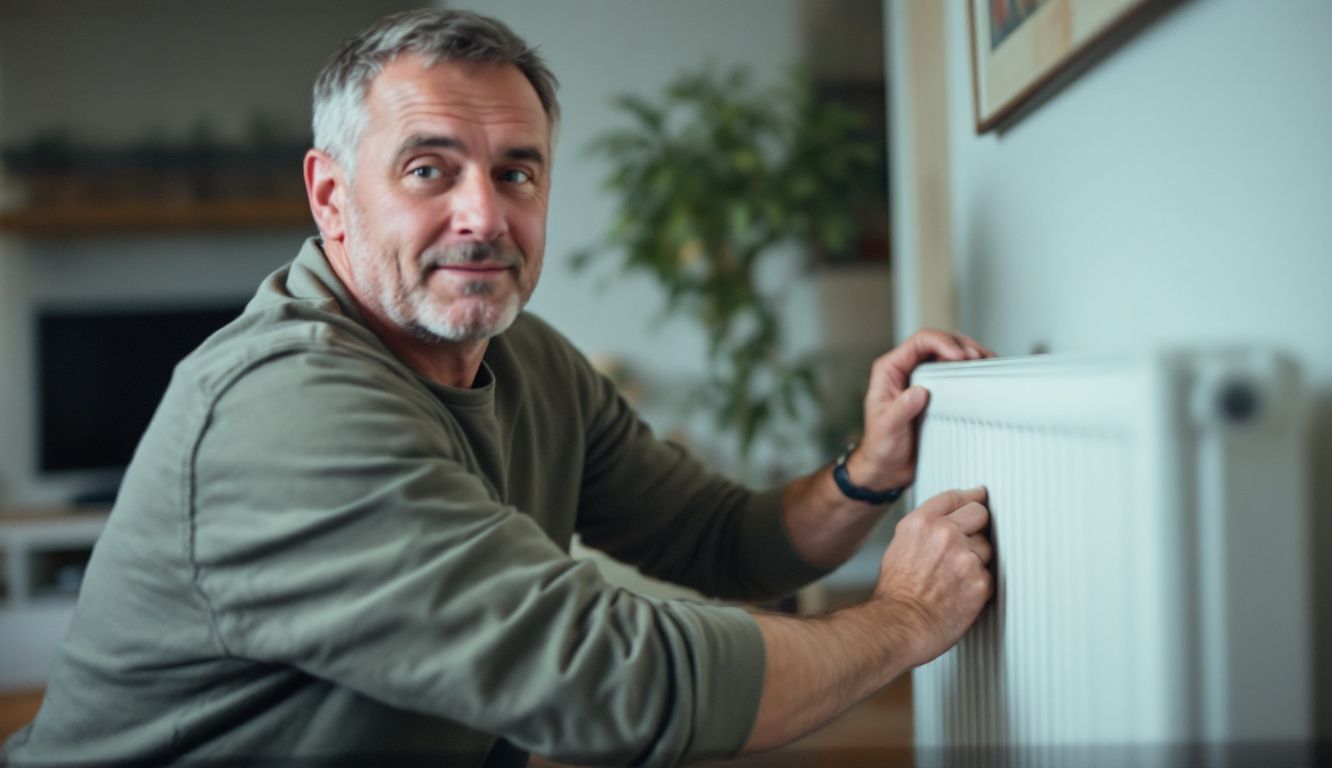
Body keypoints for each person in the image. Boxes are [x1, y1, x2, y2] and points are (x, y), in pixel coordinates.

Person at [3, 9, 994, 767]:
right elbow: (616, 681)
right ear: (331, 197)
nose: (483, 215)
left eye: (516, 174)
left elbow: (724, 541)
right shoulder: (283, 409)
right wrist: (902, 623)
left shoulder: (533, 363)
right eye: (430, 170)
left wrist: (867, 471)